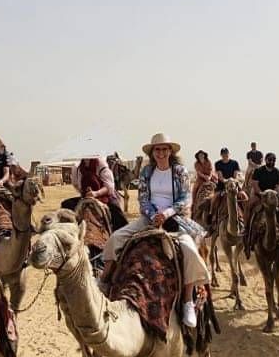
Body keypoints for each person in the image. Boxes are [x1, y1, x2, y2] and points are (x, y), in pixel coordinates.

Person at [101, 133, 210, 329]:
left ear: (170, 151)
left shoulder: (180, 171)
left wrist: (166, 214)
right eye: (157, 150)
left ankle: (187, 301)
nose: (161, 152)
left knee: (190, 251)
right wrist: (153, 216)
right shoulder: (147, 172)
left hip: (176, 218)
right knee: (115, 239)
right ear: (153, 153)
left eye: (164, 149)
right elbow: (143, 198)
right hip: (149, 218)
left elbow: (185, 198)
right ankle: (105, 280)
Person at [63, 156, 127, 229]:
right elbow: (76, 185)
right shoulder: (77, 167)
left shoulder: (101, 165)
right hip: (86, 197)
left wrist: (96, 193)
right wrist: (85, 193)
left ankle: (124, 234)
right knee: (66, 204)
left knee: (115, 210)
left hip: (105, 196)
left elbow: (109, 187)